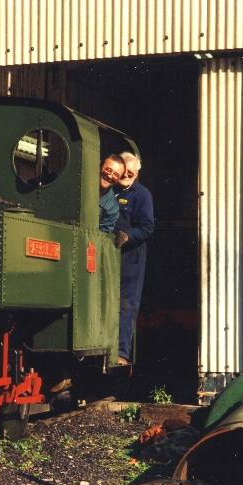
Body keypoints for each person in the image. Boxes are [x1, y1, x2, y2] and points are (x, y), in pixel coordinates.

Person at [114, 151, 154, 366]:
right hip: (108, 254)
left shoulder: (142, 195)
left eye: (131, 173)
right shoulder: (108, 190)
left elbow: (148, 228)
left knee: (126, 304)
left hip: (131, 256)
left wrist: (129, 236)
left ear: (137, 174)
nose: (126, 176)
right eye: (124, 172)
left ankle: (121, 353)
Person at [99, 154, 123, 232]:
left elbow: (102, 236)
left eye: (116, 175)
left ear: (118, 180)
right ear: (100, 167)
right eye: (108, 170)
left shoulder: (113, 208)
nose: (110, 176)